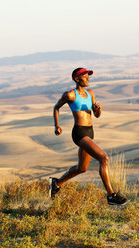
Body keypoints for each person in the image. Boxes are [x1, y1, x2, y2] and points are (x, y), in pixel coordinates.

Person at [49, 67, 127, 205]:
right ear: (76, 79)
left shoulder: (90, 94)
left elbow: (96, 116)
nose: (88, 79)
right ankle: (111, 195)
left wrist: (98, 110)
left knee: (82, 168)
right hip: (79, 133)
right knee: (103, 158)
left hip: (90, 132)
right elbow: (56, 107)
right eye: (85, 76)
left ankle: (57, 183)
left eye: (88, 76)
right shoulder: (70, 95)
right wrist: (57, 125)